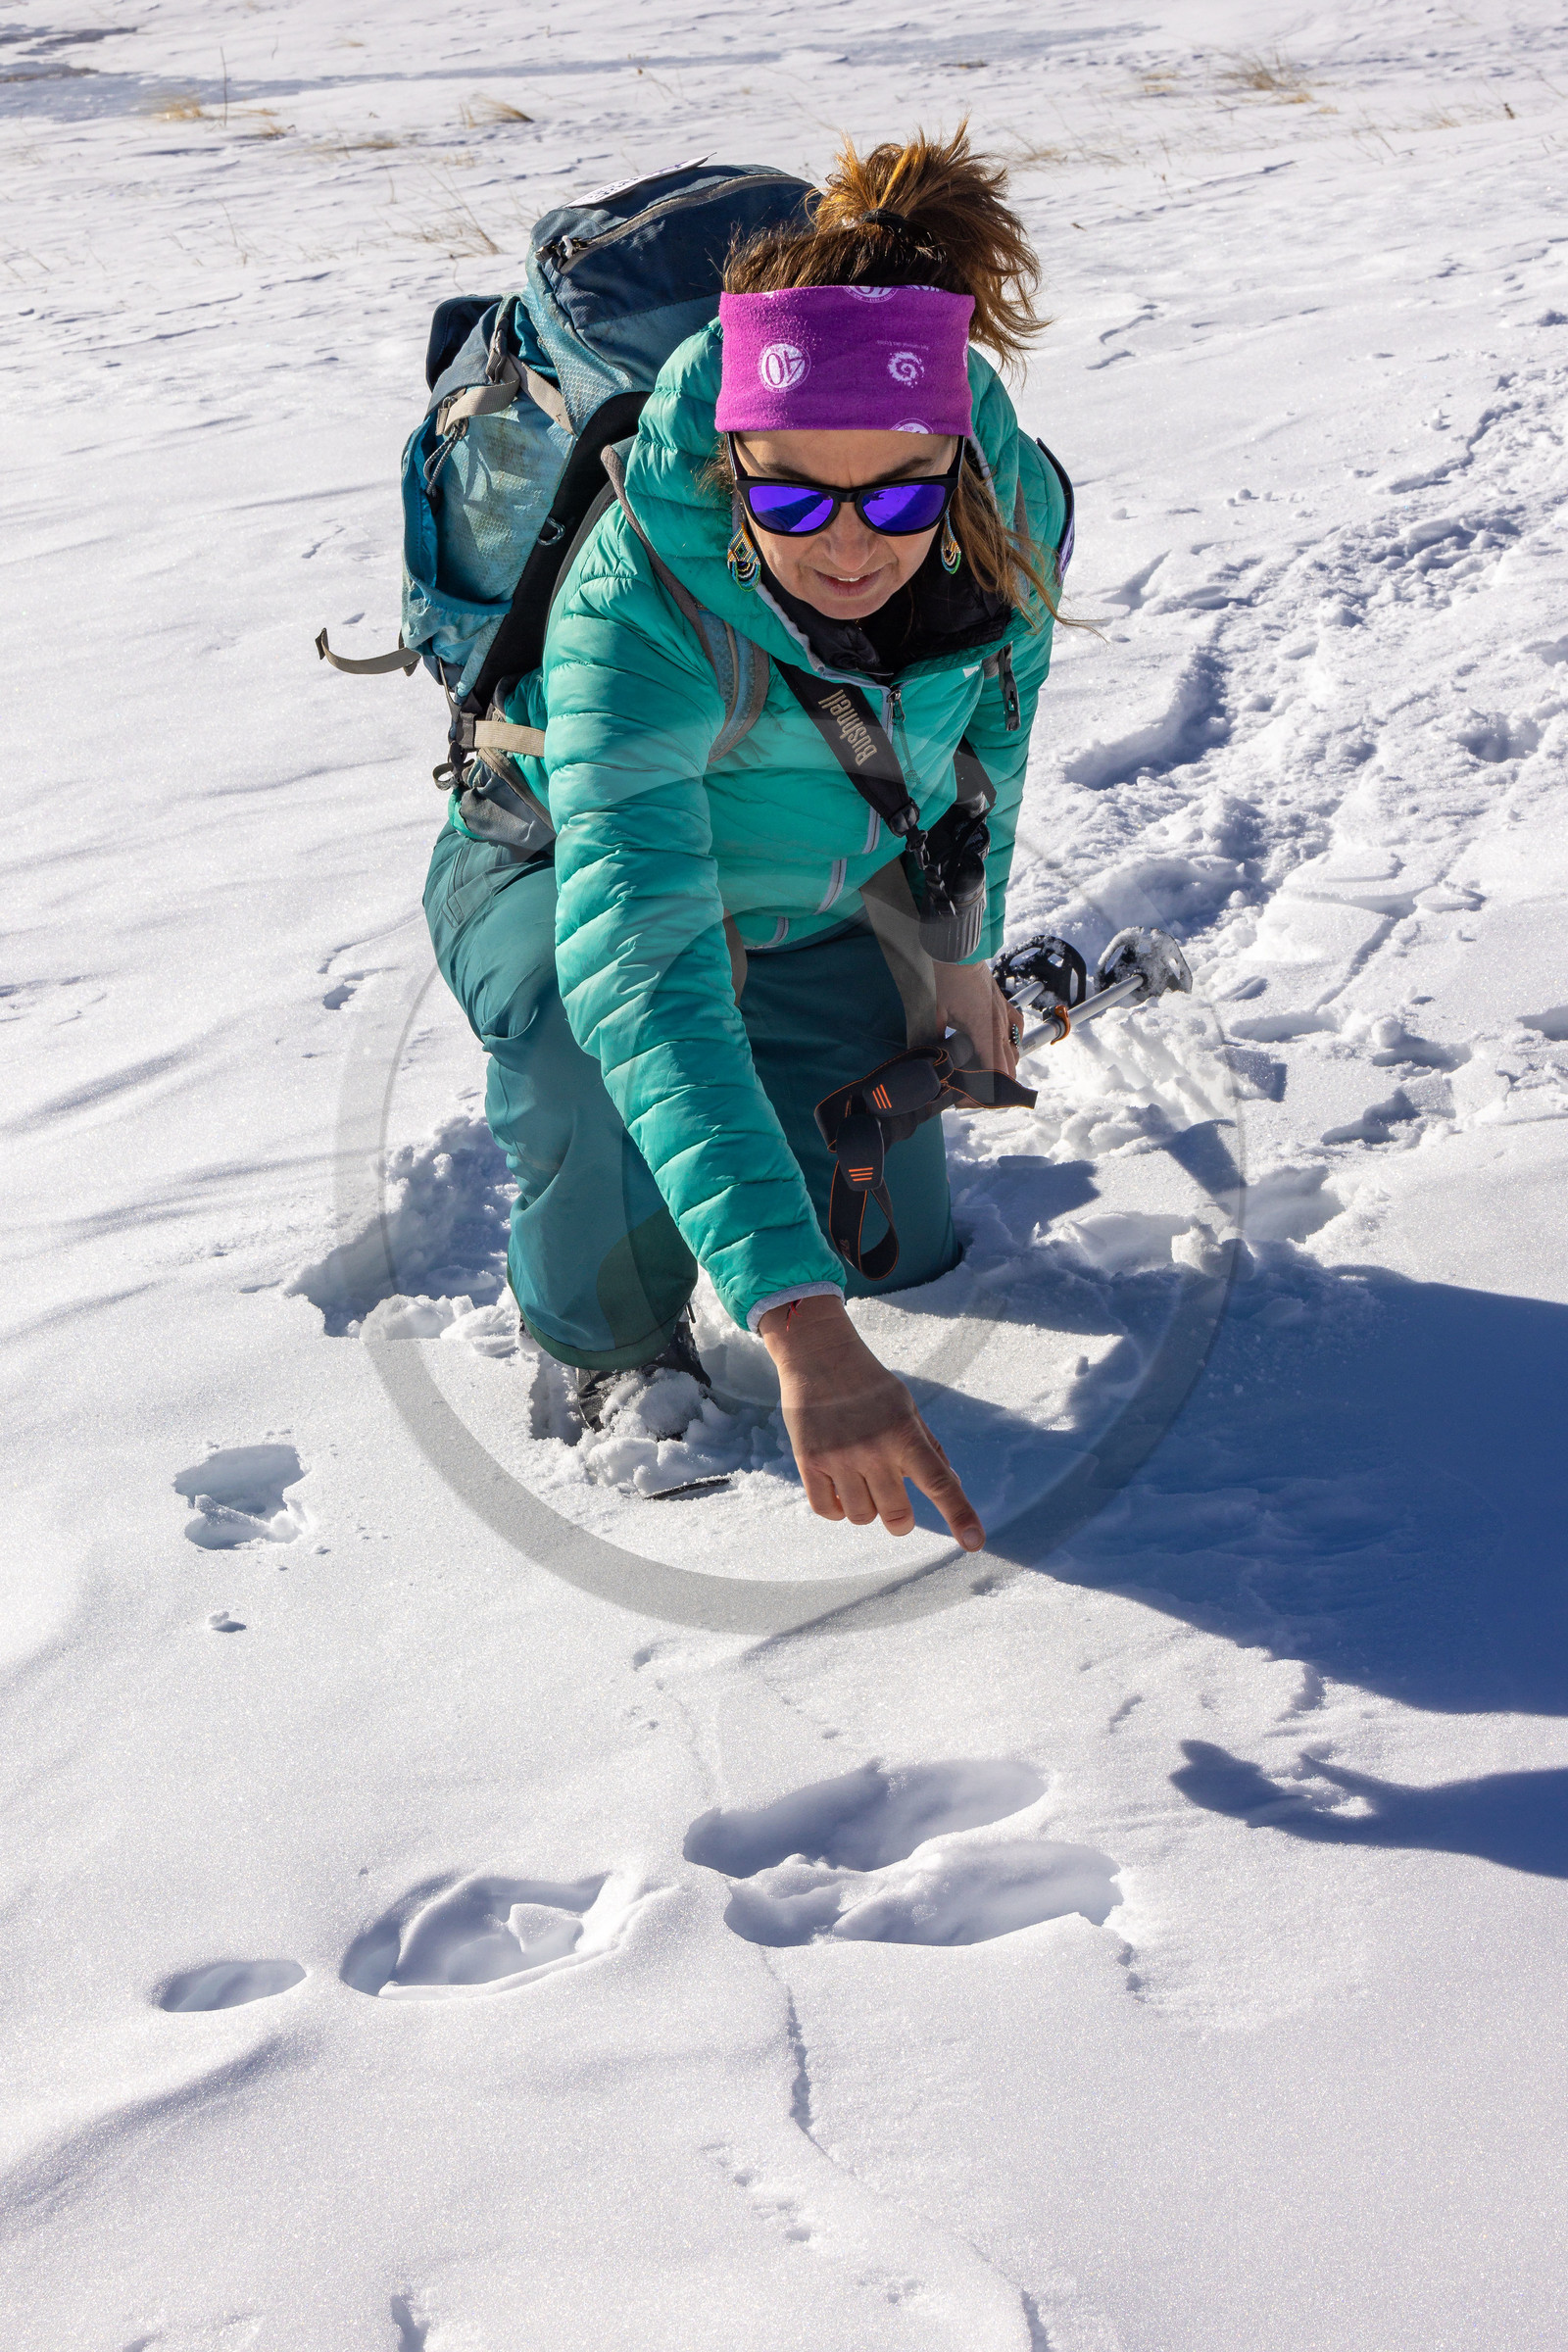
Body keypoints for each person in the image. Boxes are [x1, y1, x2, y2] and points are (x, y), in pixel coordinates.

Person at [423, 128, 1069, 1553]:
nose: (850, 544)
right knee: (580, 1032)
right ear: (733, 463)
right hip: (564, 866)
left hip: (829, 878)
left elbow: (989, 744)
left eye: (899, 491)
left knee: (891, 1247)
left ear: (954, 457)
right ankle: (610, 1347)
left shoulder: (1014, 511)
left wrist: (965, 952)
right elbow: (640, 960)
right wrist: (799, 1332)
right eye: (792, 494)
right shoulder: (635, 601)